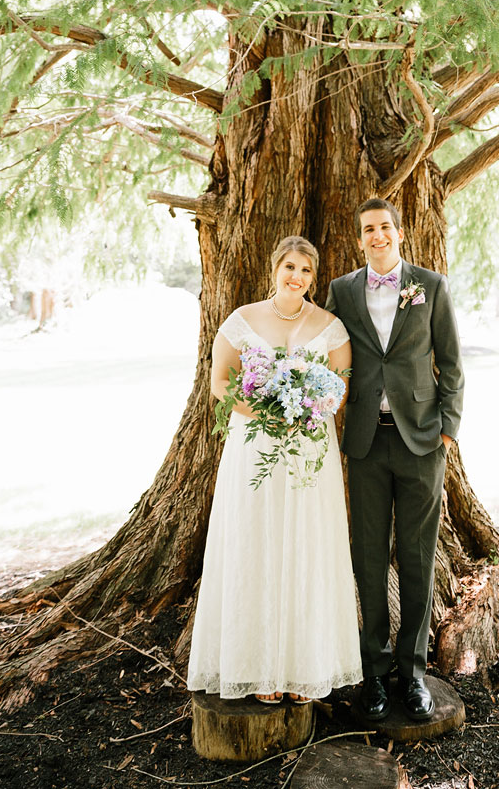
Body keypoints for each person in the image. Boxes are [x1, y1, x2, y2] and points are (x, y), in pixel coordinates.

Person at [187, 235, 363, 704]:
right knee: (257, 544)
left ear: (314, 276)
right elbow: (219, 381)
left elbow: (341, 385)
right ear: (274, 267)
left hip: (308, 451)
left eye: (306, 271)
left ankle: (305, 668)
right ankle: (259, 670)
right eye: (289, 266)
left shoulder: (330, 327)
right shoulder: (242, 320)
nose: (297, 277)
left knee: (307, 546)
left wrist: (312, 404)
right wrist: (262, 409)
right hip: (255, 446)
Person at [326, 198, 464, 723]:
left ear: (399, 233)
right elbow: (326, 353)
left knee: (417, 557)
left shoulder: (431, 286)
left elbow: (451, 363)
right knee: (368, 558)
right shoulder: (341, 291)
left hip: (421, 444)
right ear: (359, 238)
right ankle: (375, 674)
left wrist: (447, 431)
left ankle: (413, 674)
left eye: (385, 227)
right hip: (365, 443)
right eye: (368, 229)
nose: (377, 235)